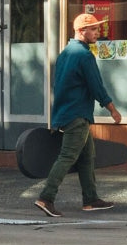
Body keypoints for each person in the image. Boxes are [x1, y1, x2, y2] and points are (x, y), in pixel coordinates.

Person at [33, 12, 122, 218]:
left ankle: (91, 199)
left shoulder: (65, 53)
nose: (97, 33)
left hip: (66, 113)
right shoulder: (84, 55)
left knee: (87, 156)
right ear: (82, 31)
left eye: (97, 29)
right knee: (67, 157)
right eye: (94, 29)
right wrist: (112, 109)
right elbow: (96, 86)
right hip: (77, 115)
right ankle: (46, 197)